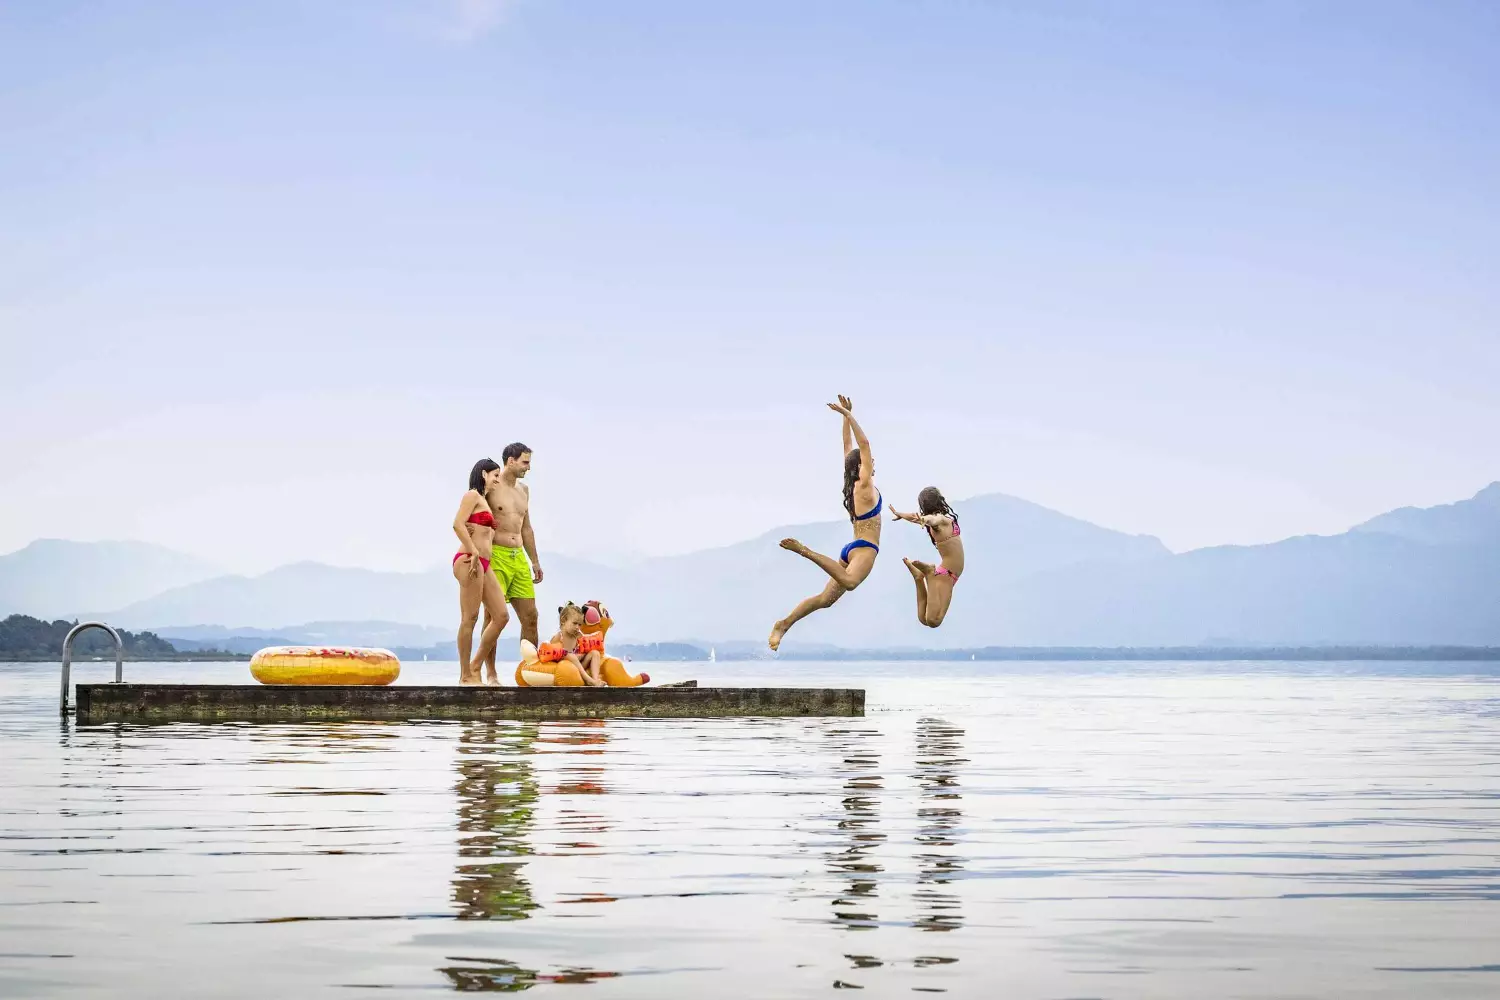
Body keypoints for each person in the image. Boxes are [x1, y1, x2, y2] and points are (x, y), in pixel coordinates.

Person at [769, 396, 880, 651]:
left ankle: (784, 624)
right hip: (864, 550)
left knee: (825, 599)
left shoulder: (852, 483)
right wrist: (850, 417)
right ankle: (805, 551)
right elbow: (863, 445)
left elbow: (848, 447)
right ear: (862, 467)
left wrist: (844, 417)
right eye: (870, 461)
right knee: (850, 583)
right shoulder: (865, 485)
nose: (873, 462)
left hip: (852, 548)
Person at [480, 442, 544, 680]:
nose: (528, 467)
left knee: (531, 616)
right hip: (496, 555)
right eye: (525, 462)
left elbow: (526, 528)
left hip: (519, 559)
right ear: (511, 461)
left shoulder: (524, 490)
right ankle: (491, 673)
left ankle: (529, 672)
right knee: (493, 616)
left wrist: (535, 562)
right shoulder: (492, 488)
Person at [452, 458, 509, 685]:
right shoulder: (472, 496)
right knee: (470, 618)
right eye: (495, 474)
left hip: (485, 564)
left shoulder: (484, 501)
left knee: (501, 616)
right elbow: (457, 524)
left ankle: (476, 666)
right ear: (484, 474)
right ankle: (465, 675)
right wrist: (474, 550)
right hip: (469, 560)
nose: (497, 479)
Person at [891, 487, 964, 628]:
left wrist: (901, 514)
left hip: (948, 574)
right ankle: (929, 573)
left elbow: (928, 519)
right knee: (934, 620)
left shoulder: (941, 521)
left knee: (923, 618)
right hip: (947, 574)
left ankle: (918, 577)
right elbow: (932, 519)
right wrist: (923, 519)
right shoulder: (941, 520)